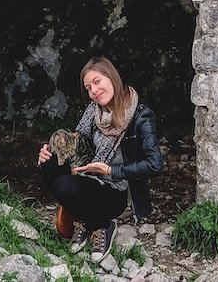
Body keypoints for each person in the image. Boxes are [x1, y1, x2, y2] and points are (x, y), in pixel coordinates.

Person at [37, 56, 163, 262]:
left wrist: (110, 171)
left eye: (97, 82)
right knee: (48, 163)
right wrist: (52, 148)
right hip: (91, 176)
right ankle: (86, 220)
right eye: (88, 88)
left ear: (112, 78)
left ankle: (102, 224)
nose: (93, 91)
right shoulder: (93, 111)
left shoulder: (141, 115)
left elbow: (155, 164)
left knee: (63, 186)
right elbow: (78, 143)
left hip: (116, 189)